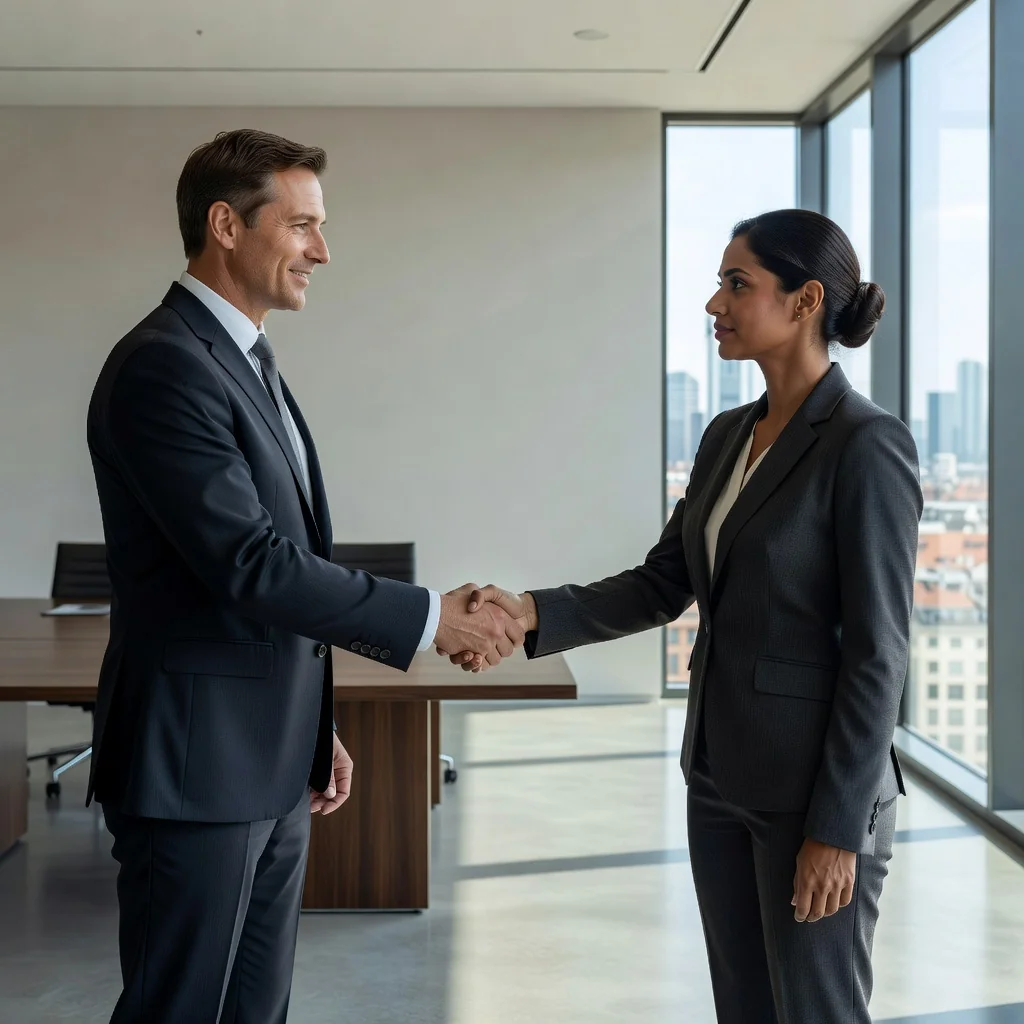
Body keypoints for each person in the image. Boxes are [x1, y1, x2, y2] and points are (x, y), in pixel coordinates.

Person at [441, 209, 923, 1023]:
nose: (714, 303)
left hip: (814, 796)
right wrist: (525, 613)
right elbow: (663, 583)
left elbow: (879, 652)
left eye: (738, 284)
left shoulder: (866, 444)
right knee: (743, 1005)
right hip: (719, 775)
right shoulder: (727, 436)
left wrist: (837, 830)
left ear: (806, 301)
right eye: (718, 282)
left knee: (816, 1009)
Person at [86, 128, 523, 1024]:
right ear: (226, 225)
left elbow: (290, 563)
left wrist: (308, 726)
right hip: (195, 772)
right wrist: (433, 617)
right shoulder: (164, 366)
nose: (323, 250)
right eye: (303, 226)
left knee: (257, 1011)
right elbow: (250, 565)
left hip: (265, 762)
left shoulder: (249, 361)